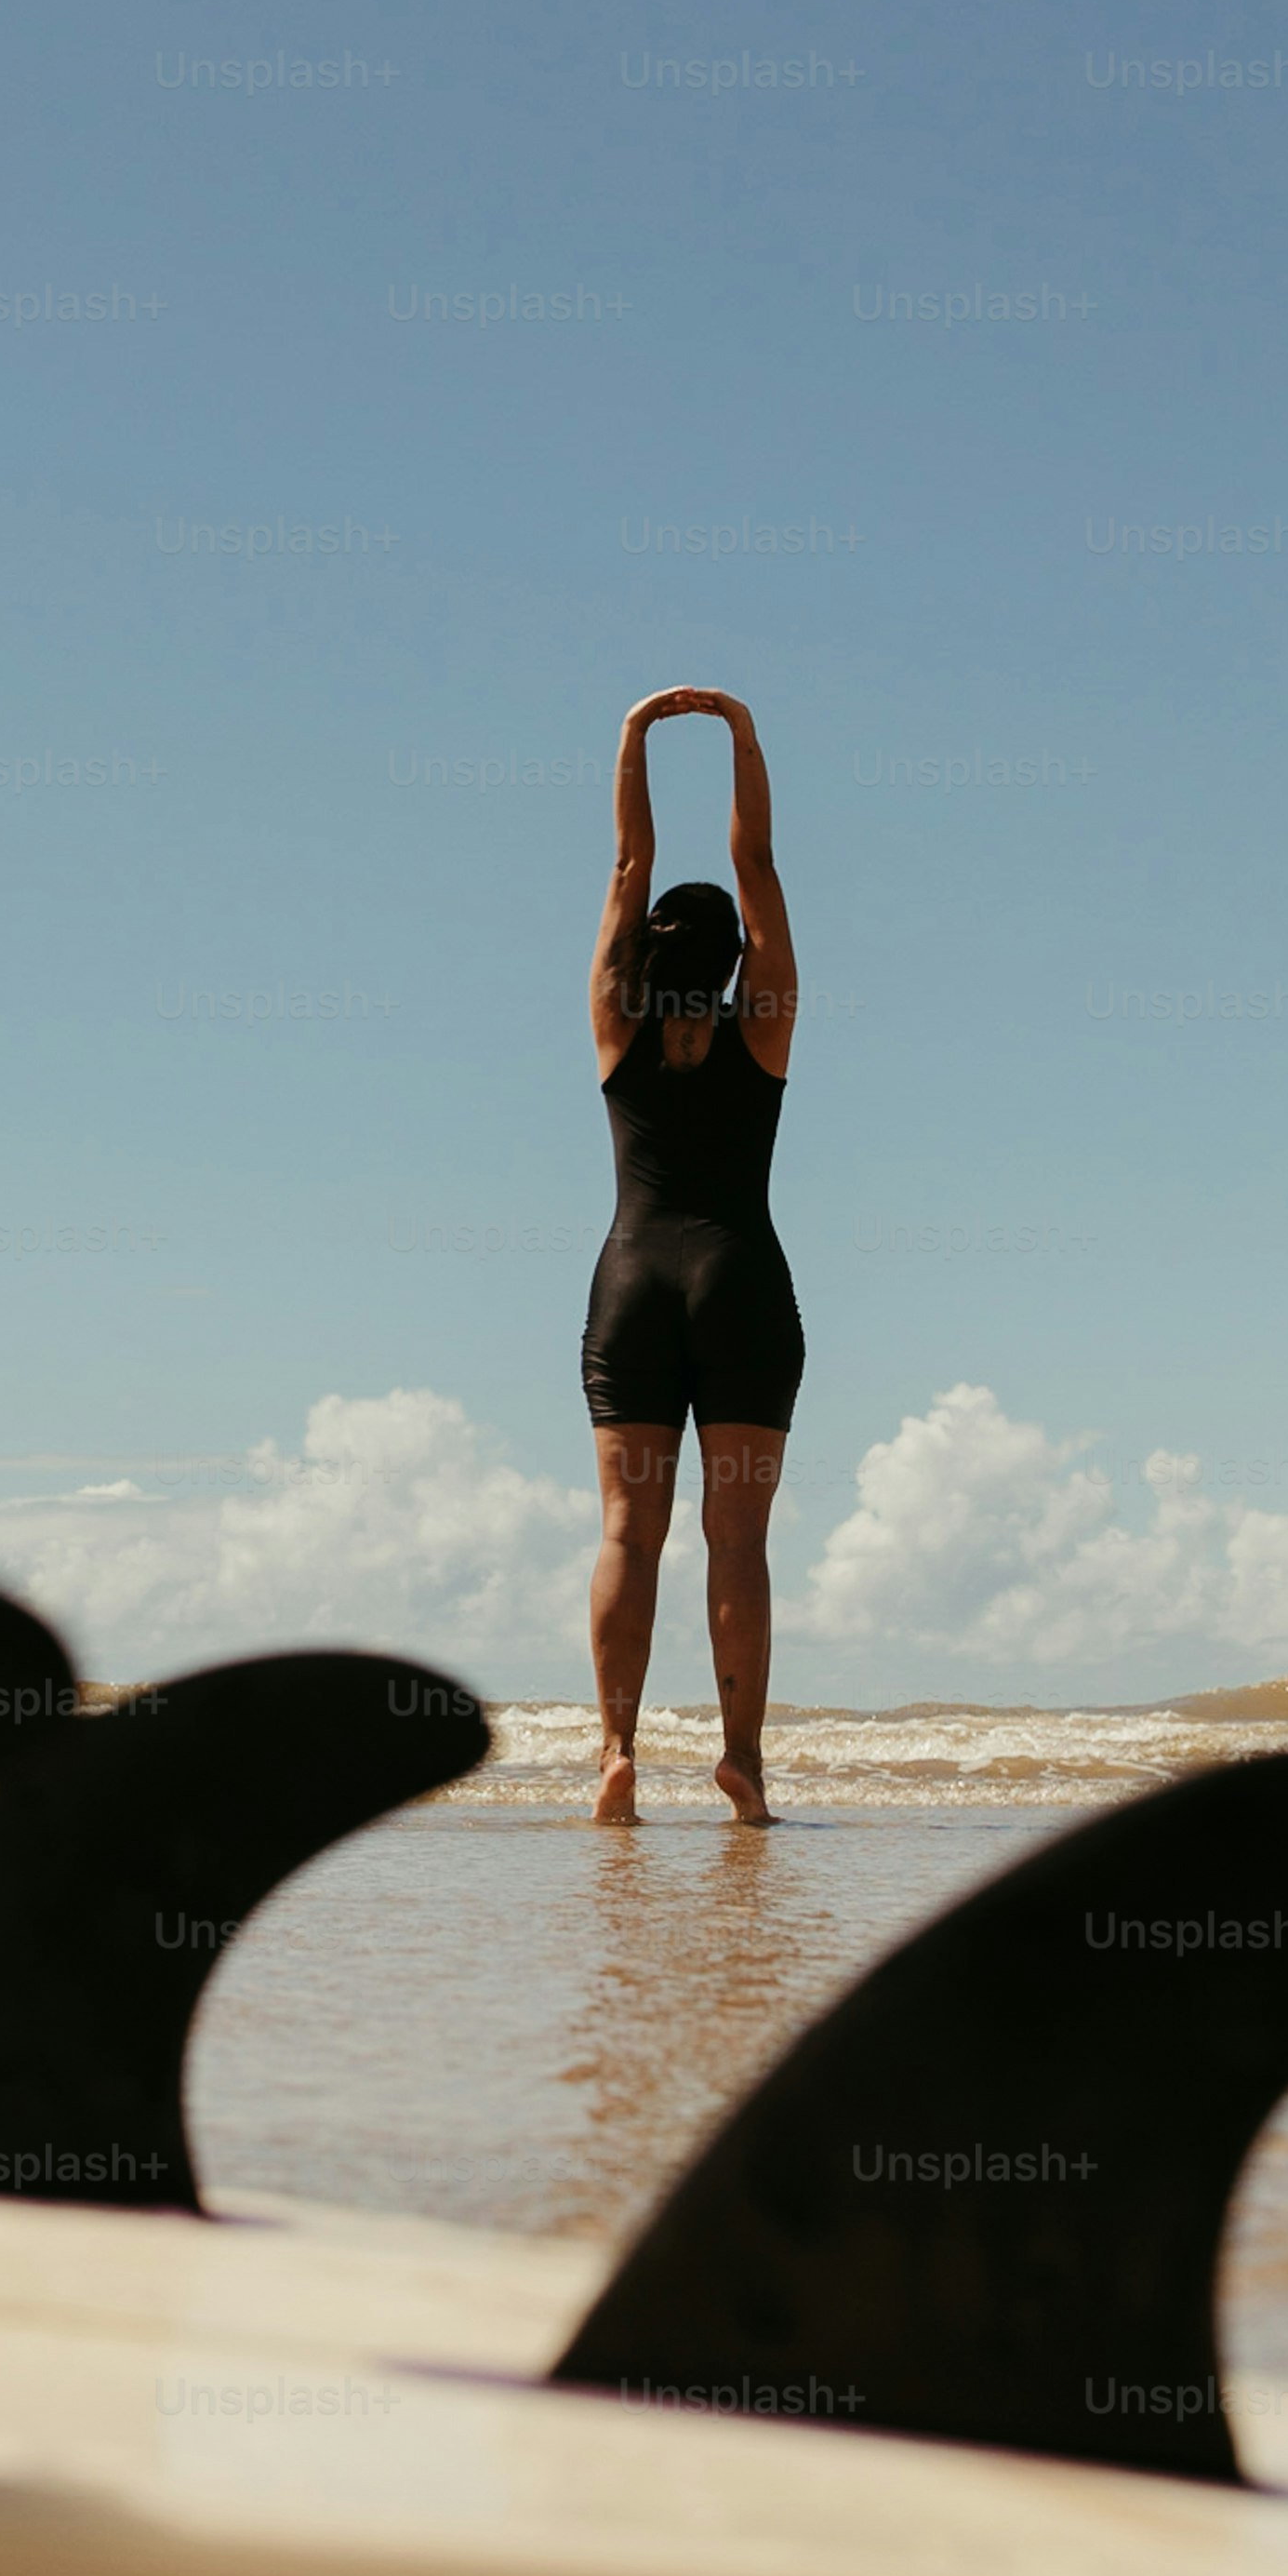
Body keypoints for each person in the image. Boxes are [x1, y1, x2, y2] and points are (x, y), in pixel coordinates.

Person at [581, 687, 802, 1826]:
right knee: (737, 1538)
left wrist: (632, 735)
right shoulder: (760, 1024)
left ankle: (616, 1750)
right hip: (742, 1285)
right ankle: (743, 1763)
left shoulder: (615, 1024)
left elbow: (628, 867)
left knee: (629, 1529)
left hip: (630, 1285)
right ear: (731, 959)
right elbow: (755, 863)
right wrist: (741, 737)